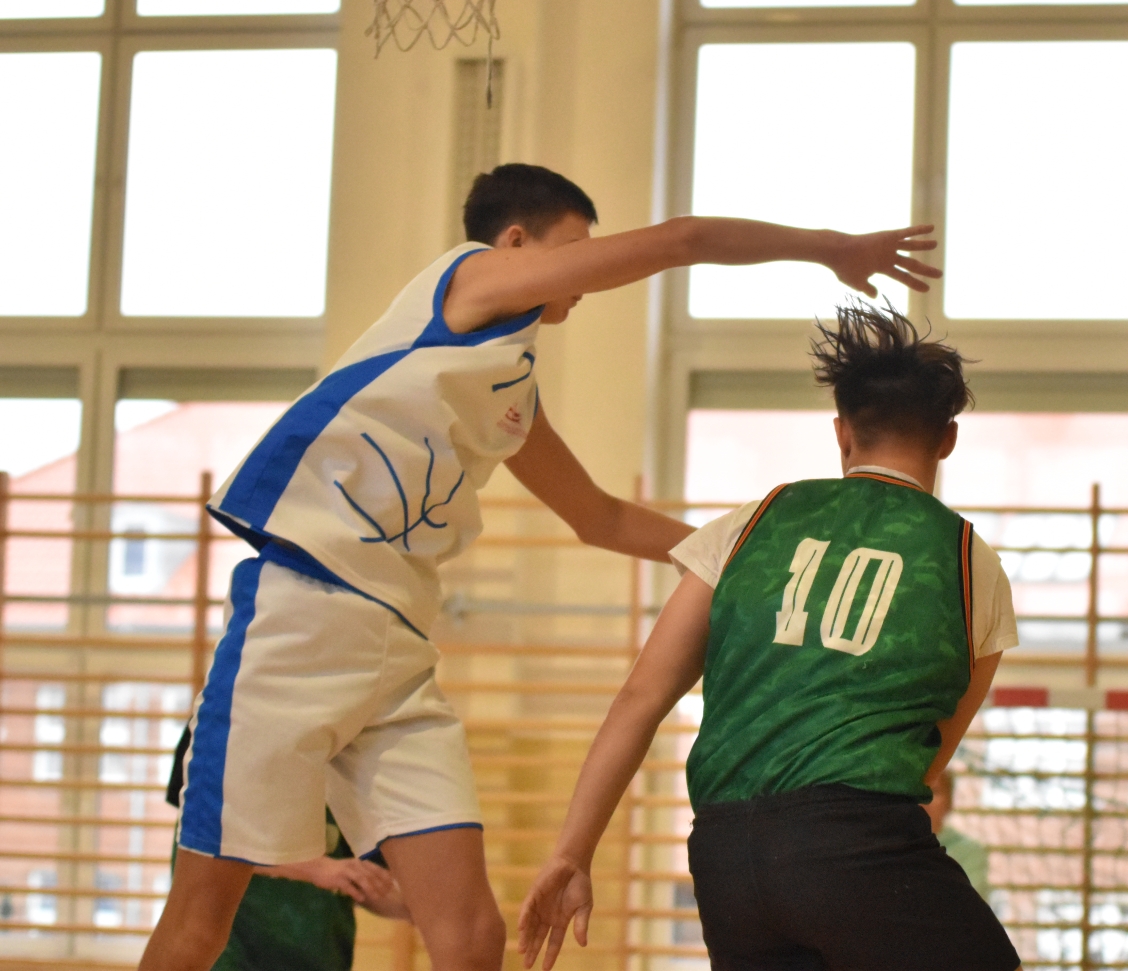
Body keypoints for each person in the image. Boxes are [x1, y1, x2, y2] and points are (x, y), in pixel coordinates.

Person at [140, 164, 940, 971]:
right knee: (202, 922)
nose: (584, 273)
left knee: (473, 937)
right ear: (517, 242)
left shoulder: (510, 388)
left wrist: (740, 551)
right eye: (575, 246)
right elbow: (684, 239)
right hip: (303, 611)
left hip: (397, 649)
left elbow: (600, 517)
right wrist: (830, 247)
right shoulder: (469, 279)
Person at [517, 305, 1020, 971]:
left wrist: (572, 852)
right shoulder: (969, 560)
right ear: (948, 439)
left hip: (726, 857)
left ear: (842, 431)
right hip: (857, 844)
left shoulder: (751, 523)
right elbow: (930, 760)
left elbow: (639, 696)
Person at [162, 729, 410, 971]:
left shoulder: (354, 750)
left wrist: (419, 909)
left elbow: (360, 878)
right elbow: (205, 845)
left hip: (321, 958)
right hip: (237, 957)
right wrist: (316, 868)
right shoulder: (226, 726)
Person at [924, 767, 992, 902]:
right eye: (918, 793)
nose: (924, 802)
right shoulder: (889, 844)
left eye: (934, 792)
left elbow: (969, 903)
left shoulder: (969, 851)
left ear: (950, 801)